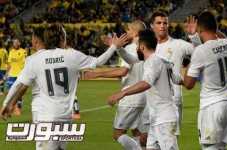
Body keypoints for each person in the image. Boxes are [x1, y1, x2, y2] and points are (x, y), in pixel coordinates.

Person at [0, 24, 129, 150]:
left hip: (45, 115)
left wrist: (7, 103)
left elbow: (19, 85)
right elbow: (99, 61)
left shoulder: (34, 59)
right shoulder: (72, 55)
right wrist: (114, 46)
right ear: (62, 39)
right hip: (66, 115)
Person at [175, 11, 227, 150]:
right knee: (221, 147)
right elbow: (215, 41)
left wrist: (181, 72)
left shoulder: (200, 51)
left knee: (209, 147)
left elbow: (189, 84)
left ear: (199, 29)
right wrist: (195, 36)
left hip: (212, 107)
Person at [108, 29, 179, 150]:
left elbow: (146, 83)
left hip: (164, 118)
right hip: (157, 118)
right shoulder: (163, 61)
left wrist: (123, 93)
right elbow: (179, 79)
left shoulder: (152, 62)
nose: (136, 49)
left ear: (142, 47)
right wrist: (118, 48)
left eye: (137, 46)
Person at [84, 20, 149, 150]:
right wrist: (115, 47)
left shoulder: (131, 47)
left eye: (129, 30)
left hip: (130, 97)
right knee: (137, 132)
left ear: (136, 32)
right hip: (143, 96)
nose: (127, 32)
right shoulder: (146, 47)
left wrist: (97, 74)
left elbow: (123, 71)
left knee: (118, 134)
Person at [6, 38, 27, 115]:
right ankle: (12, 108)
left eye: (16, 42)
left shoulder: (23, 52)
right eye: (14, 42)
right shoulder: (11, 52)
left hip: (19, 75)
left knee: (19, 92)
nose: (15, 44)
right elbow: (9, 63)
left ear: (19, 43)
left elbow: (25, 63)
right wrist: (6, 74)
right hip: (11, 75)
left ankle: (19, 107)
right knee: (10, 92)